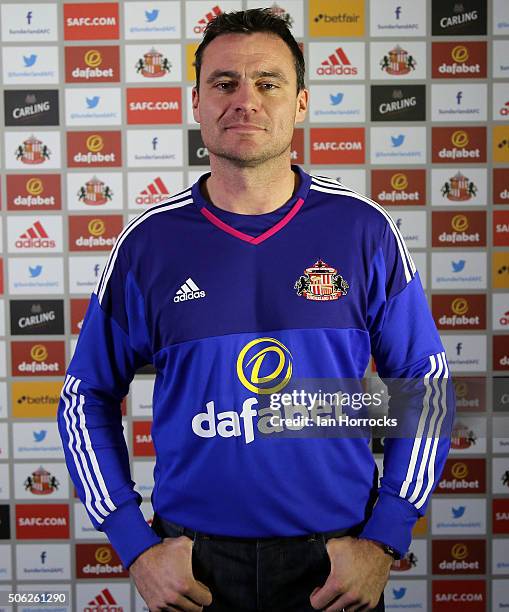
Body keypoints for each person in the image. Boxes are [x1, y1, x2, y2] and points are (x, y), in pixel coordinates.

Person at [56, 8, 455, 612]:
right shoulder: (148, 246)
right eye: (224, 84)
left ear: (299, 103)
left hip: (335, 565)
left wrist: (384, 538)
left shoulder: (363, 230)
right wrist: (136, 547)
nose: (245, 101)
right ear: (196, 102)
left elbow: (423, 385)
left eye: (267, 83)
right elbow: (84, 397)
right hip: (194, 570)